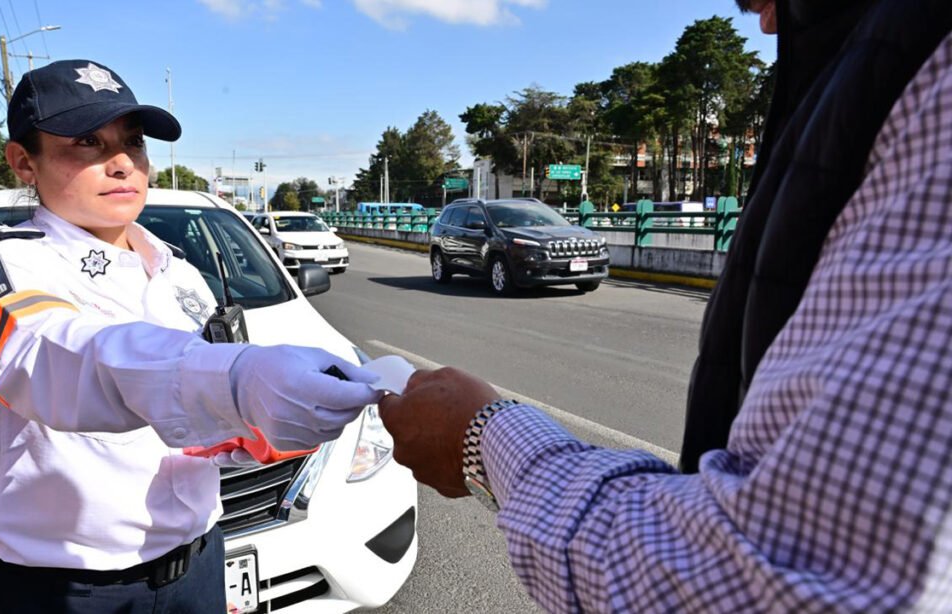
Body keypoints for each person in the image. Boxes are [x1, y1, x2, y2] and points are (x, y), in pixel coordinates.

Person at [379, 2, 952, 612]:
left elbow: (796, 574)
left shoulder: (921, 68)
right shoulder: (874, 64)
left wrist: (482, 437)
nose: (761, 19)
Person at [0, 59, 382, 613]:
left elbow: (187, 430)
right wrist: (235, 382)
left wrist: (250, 432)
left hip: (197, 567)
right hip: (60, 589)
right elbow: (61, 357)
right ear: (24, 162)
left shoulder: (179, 273)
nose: (123, 163)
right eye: (87, 142)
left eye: (133, 142)